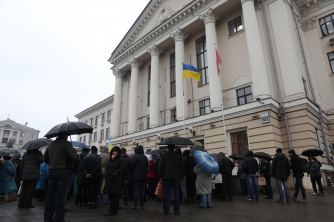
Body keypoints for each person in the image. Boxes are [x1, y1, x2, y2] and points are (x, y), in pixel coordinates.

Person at [44, 133, 76, 222]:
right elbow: (72, 158)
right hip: (63, 171)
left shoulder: (51, 144)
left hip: (52, 171)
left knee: (49, 196)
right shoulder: (67, 144)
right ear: (65, 136)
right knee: (61, 196)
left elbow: (45, 159)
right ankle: (59, 218)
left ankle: (48, 218)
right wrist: (73, 154)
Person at [158, 144, 184, 215]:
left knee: (166, 193)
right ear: (174, 147)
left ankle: (166, 210)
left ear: (168, 147)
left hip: (166, 177)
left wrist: (161, 176)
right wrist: (180, 175)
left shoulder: (164, 155)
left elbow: (161, 166)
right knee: (176, 193)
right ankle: (176, 210)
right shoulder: (178, 156)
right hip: (176, 177)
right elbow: (182, 167)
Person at [103, 146, 125, 216]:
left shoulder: (121, 160)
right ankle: (114, 210)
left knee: (114, 196)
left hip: (116, 180)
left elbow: (122, 168)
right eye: (113, 151)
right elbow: (107, 167)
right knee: (110, 195)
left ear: (118, 152)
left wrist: (116, 172)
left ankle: (112, 210)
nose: (114, 152)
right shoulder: (110, 159)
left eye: (116, 151)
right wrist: (105, 172)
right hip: (109, 180)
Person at [131, 145, 148, 210]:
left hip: (136, 176)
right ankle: (142, 205)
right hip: (144, 176)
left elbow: (132, 166)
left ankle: (136, 205)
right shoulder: (145, 157)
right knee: (142, 191)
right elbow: (146, 166)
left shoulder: (136, 157)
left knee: (136, 191)